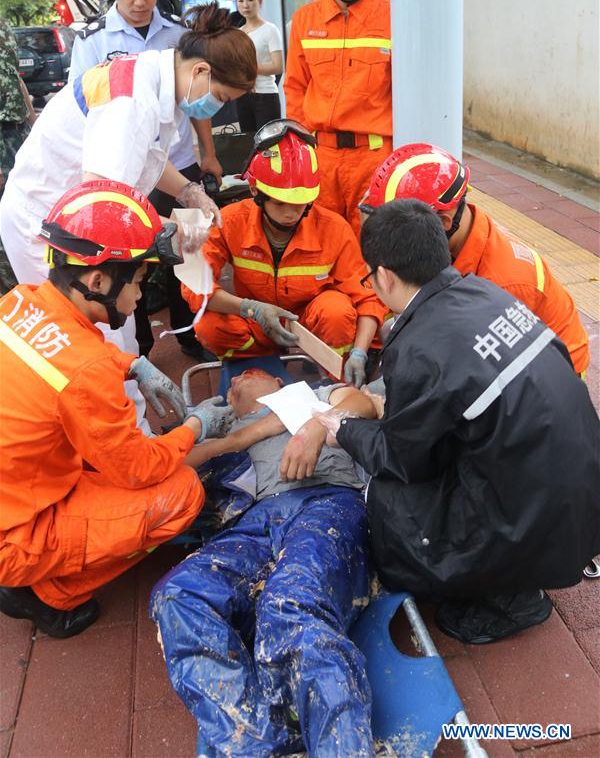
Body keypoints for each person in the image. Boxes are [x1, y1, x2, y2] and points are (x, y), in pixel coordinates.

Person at [308, 199, 600, 645]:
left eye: (370, 277)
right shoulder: (488, 292)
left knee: (389, 500)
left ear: (383, 275)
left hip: (535, 526)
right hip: (580, 507)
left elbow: (404, 460)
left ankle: (508, 598)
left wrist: (342, 426)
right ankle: (515, 572)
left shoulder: (417, 343)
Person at [0, 2, 255, 429]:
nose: (219, 108)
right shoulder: (132, 101)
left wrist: (189, 191)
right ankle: (118, 438)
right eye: (223, 98)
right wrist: (167, 234)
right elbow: (104, 206)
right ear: (201, 73)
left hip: (73, 216)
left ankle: (127, 429)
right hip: (47, 222)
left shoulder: (155, 82)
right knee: (96, 331)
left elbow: (149, 159)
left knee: (114, 328)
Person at [0, 180, 236, 639]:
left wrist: (133, 363)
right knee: (182, 494)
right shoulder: (87, 373)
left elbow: (60, 355)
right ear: (98, 281)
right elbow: (138, 470)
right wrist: (195, 425)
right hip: (13, 536)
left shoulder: (20, 301)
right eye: (139, 282)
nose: (141, 296)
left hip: (14, 492)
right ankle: (45, 596)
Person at [150, 367, 377, 756]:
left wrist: (314, 427)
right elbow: (171, 467)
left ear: (278, 383)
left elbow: (366, 404)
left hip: (326, 504)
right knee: (177, 596)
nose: (236, 380)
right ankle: (260, 743)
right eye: (232, 384)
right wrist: (226, 432)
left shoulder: (314, 393)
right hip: (255, 522)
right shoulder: (226, 434)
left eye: (250, 373)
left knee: (290, 603)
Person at [68, 0, 218, 359]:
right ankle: (139, 347)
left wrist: (206, 154)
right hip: (117, 174)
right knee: (125, 258)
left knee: (187, 251)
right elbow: (84, 114)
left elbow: (197, 103)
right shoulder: (93, 40)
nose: (140, 1)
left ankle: (191, 333)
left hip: (176, 163)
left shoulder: (177, 33)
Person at [183, 120, 386, 387]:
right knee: (209, 324)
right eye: (280, 203)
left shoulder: (334, 229)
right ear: (255, 191)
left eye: (300, 204)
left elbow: (368, 298)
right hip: (257, 322)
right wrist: (249, 308)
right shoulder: (230, 221)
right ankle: (254, 368)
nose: (291, 213)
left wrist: (359, 353)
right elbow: (194, 284)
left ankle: (332, 381)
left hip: (310, 323)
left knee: (337, 311)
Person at [359, 142, 590, 375]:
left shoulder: (503, 282)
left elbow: (478, 373)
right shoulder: (459, 239)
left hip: (545, 373)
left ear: (443, 223)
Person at [284, 0, 392, 237]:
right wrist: (300, 153)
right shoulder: (305, 20)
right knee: (322, 243)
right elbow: (295, 87)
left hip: (374, 159)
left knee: (374, 247)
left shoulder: (394, 19)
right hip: (321, 157)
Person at [0, 18, 36, 294]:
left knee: (23, 203)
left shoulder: (3, 25)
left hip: (18, 130)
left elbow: (14, 75)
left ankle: (22, 289)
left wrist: (32, 119)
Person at [235, 0, 283, 133]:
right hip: (242, 95)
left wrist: (250, 69)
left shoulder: (270, 30)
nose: (245, 5)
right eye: (241, 0)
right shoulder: (238, 33)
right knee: (248, 145)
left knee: (268, 145)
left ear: (260, 1)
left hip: (266, 96)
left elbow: (278, 66)